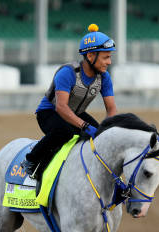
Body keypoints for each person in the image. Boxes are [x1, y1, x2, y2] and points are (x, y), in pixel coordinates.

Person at [20, 23, 118, 180]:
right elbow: (61, 107)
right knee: (64, 133)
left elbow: (111, 109)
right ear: (91, 56)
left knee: (100, 137)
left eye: (110, 57)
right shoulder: (68, 73)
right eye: (106, 57)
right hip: (50, 113)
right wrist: (85, 126)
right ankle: (31, 160)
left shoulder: (104, 77)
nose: (109, 62)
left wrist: (104, 129)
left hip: (75, 113)